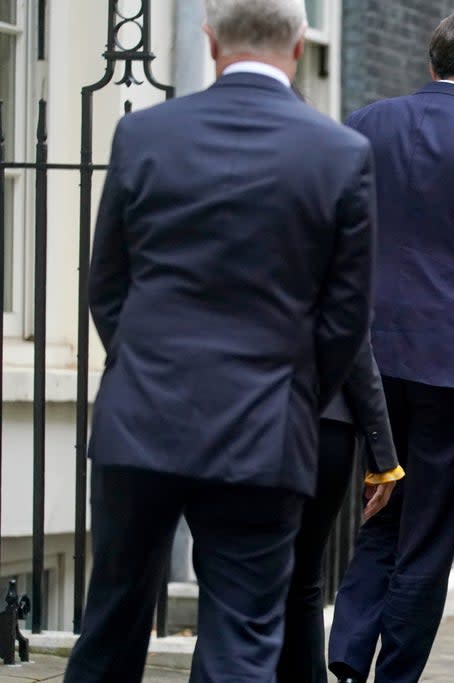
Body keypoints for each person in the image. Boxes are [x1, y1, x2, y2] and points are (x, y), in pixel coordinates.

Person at [63, 0, 376, 680]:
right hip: (265, 424)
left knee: (110, 623)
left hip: (141, 414)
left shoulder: (143, 134)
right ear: (298, 48)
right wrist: (294, 390)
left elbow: (107, 282)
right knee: (242, 638)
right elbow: (346, 316)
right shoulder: (342, 154)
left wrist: (141, 364)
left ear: (209, 43)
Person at [327, 8, 454, 683]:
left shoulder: (363, 124)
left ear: (432, 63)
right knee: (430, 530)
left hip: (368, 356)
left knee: (383, 502)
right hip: (453, 360)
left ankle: (349, 648)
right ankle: (394, 675)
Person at [278, 334, 404, 683]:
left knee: (232, 575)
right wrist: (383, 457)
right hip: (322, 416)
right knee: (303, 579)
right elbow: (352, 339)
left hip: (234, 411)